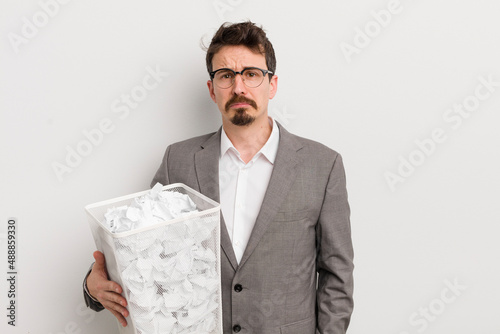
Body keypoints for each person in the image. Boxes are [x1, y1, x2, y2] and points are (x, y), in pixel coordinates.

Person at [83, 21, 354, 334]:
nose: (239, 87)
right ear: (212, 89)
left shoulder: (323, 165)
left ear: (272, 84)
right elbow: (141, 253)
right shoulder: (179, 161)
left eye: (251, 74)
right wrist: (94, 284)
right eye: (226, 76)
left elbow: (338, 274)